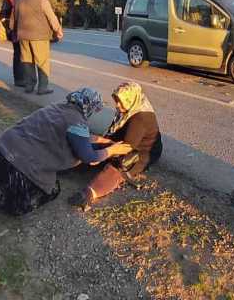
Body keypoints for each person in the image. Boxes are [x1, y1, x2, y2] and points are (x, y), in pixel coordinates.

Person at [0, 88, 132, 216]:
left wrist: (101, 141)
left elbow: (73, 134)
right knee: (49, 191)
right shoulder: (77, 122)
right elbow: (89, 156)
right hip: (17, 165)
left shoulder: (56, 108)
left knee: (4, 173)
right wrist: (112, 150)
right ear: (90, 107)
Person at [69, 82, 163, 211]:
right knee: (92, 146)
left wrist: (104, 154)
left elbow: (126, 147)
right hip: (125, 142)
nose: (117, 105)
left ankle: (90, 192)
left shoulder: (140, 118)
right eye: (116, 101)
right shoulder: (129, 108)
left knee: (119, 165)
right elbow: (113, 135)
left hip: (143, 151)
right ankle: (68, 165)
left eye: (120, 101)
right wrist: (99, 145)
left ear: (131, 99)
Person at [14, 0, 64, 95]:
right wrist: (58, 30)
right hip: (40, 37)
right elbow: (52, 17)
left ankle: (29, 85)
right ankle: (42, 87)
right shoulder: (43, 0)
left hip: (23, 35)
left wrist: (15, 31)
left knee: (27, 61)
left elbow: (14, 19)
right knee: (42, 62)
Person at [0, 0, 27, 87]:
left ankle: (24, 78)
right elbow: (2, 15)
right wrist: (9, 29)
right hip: (15, 32)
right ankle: (19, 80)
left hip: (24, 31)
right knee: (18, 55)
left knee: (25, 55)